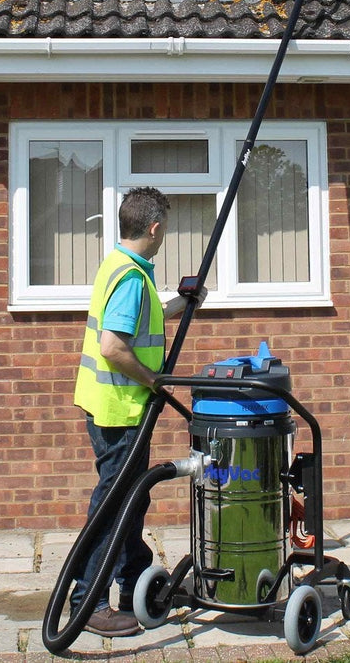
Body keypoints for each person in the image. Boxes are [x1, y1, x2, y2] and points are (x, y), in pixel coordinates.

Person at [70, 186, 202, 637]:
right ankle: (86, 603)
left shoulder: (121, 266)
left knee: (131, 499)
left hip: (113, 406)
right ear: (155, 227)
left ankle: (132, 586)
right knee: (112, 507)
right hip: (121, 409)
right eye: (164, 228)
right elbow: (113, 347)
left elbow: (137, 319)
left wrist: (183, 303)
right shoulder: (130, 277)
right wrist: (153, 378)